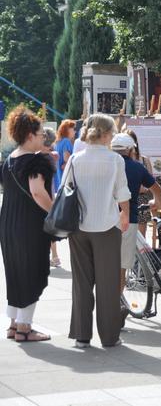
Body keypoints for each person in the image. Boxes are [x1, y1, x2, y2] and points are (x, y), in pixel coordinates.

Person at [66, 113, 131, 348]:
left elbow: (65, 189)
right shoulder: (115, 160)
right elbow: (122, 193)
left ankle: (82, 336)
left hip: (79, 226)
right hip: (106, 225)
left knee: (81, 283)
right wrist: (125, 215)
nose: (113, 136)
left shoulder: (76, 158)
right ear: (104, 133)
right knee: (108, 284)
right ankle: (109, 336)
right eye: (112, 132)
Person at [0, 105, 54, 342]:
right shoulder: (35, 161)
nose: (43, 138)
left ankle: (14, 324)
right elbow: (38, 192)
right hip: (29, 225)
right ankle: (24, 328)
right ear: (30, 135)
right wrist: (55, 212)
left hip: (8, 224)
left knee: (15, 273)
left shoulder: (8, 160)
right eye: (42, 134)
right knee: (32, 272)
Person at [110, 133, 161, 293]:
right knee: (122, 265)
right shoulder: (137, 167)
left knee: (106, 261)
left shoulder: (106, 165)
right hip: (128, 219)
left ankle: (104, 297)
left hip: (104, 219)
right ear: (130, 149)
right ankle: (117, 301)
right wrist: (156, 202)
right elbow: (156, 189)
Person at [125, 129, 154, 238]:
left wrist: (143, 188)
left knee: (141, 237)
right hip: (125, 201)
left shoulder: (144, 160)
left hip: (141, 201)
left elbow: (151, 182)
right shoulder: (118, 160)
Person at [41, 128, 62, 268]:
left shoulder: (43, 157)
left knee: (43, 227)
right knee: (49, 226)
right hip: (51, 194)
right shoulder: (53, 155)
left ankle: (51, 256)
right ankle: (54, 256)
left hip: (43, 195)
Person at [54, 119, 76, 190]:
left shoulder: (58, 142)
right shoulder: (66, 141)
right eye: (73, 129)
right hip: (65, 176)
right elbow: (67, 160)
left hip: (58, 175)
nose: (75, 131)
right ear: (67, 130)